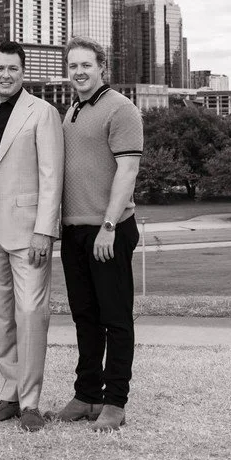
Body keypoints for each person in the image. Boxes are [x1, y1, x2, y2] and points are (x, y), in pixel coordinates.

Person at [0, 40, 63, 432]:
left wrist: (45, 230)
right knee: (2, 315)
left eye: (12, 69)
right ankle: (8, 395)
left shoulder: (42, 112)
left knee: (30, 314)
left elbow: (51, 176)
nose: (5, 75)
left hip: (29, 232)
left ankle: (30, 403)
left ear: (23, 72)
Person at [55, 37, 143, 431]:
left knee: (116, 319)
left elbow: (128, 171)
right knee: (85, 318)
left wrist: (108, 226)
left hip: (109, 230)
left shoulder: (121, 108)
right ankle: (87, 394)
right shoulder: (71, 109)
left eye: (86, 65)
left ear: (102, 67)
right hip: (74, 231)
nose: (79, 72)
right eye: (73, 65)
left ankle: (115, 402)